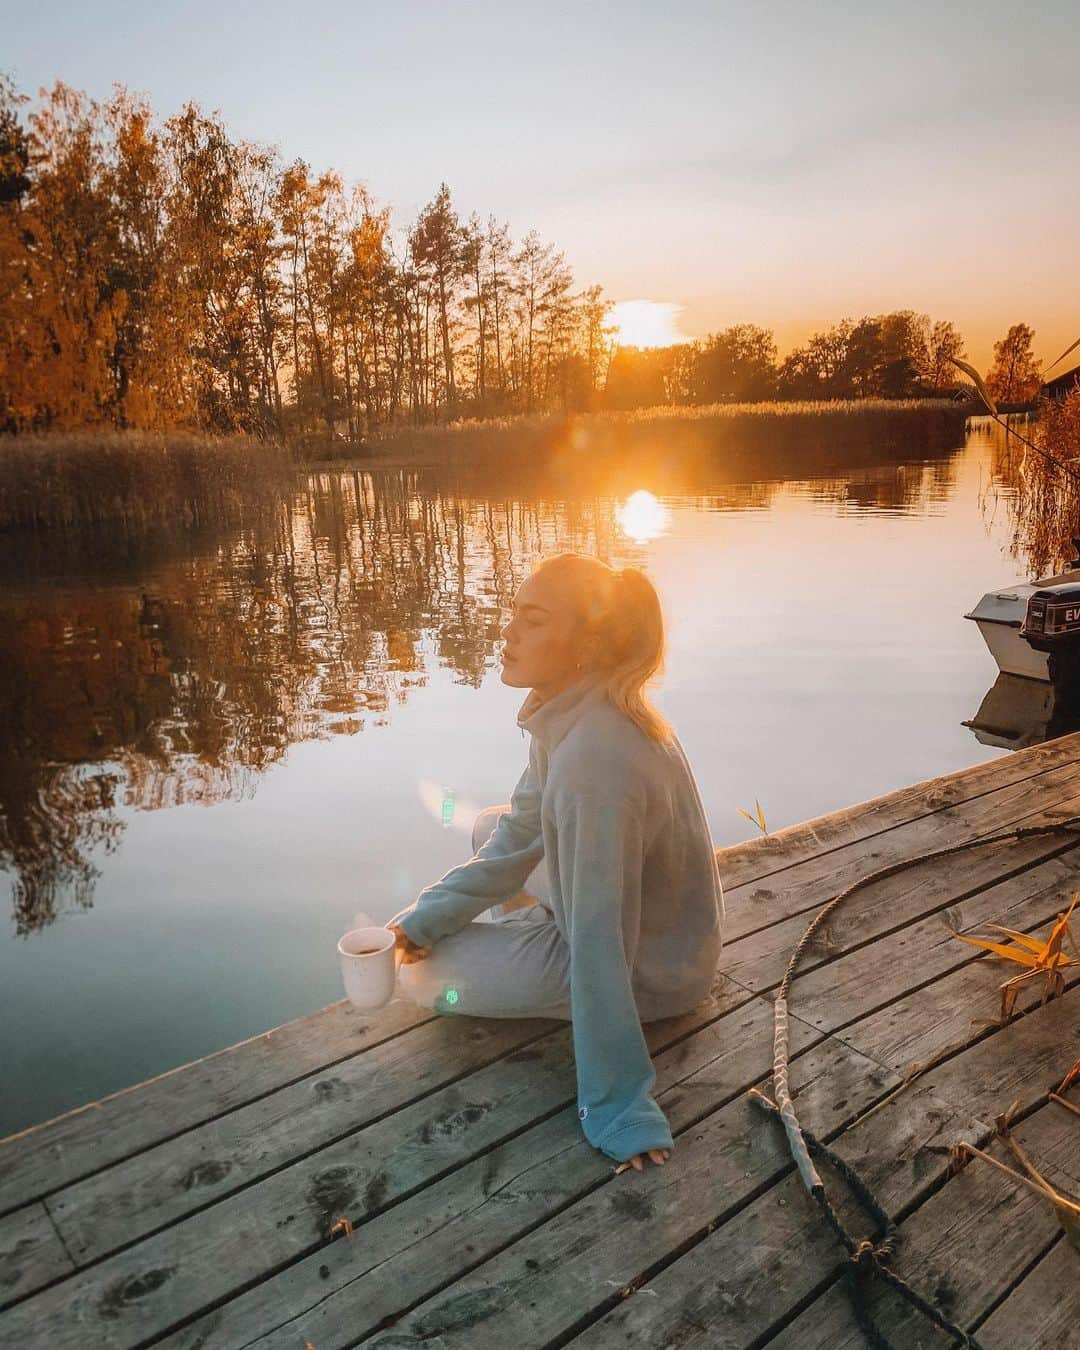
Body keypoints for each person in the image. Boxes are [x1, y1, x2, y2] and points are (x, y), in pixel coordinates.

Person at [387, 552, 724, 1174]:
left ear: (585, 642)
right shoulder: (581, 712)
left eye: (534, 619)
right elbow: (517, 834)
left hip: (650, 969)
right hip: (664, 932)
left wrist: (621, 1108)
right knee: (493, 823)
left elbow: (600, 940)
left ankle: (534, 950)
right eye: (513, 612)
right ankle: (524, 936)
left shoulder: (593, 761)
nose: (508, 633)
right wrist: (424, 919)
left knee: (417, 980)